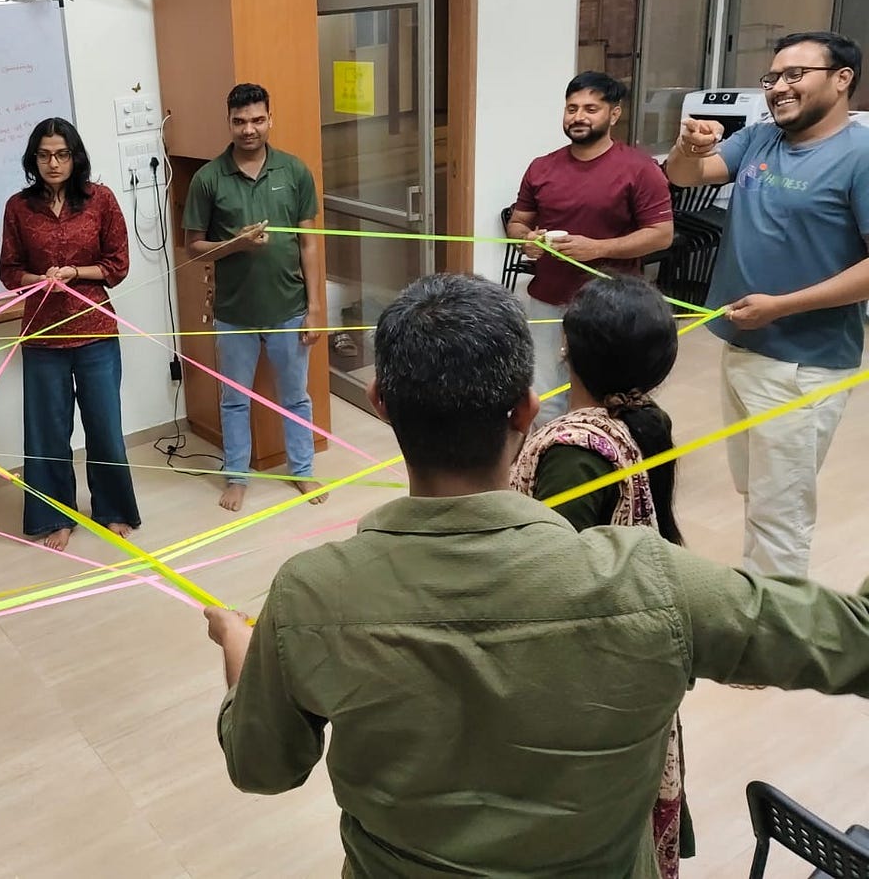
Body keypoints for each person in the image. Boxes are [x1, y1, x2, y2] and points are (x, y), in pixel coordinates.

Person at [203, 273, 869, 879]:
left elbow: (261, 768)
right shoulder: (656, 585)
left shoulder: (309, 596)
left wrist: (242, 652)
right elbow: (857, 642)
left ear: (380, 402)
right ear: (526, 410)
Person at [667, 30, 869, 578]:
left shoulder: (860, 156)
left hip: (804, 363)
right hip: (742, 345)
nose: (779, 87)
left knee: (780, 512)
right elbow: (685, 176)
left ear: (842, 79)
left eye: (795, 74)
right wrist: (690, 146)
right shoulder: (761, 137)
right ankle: (755, 596)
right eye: (773, 77)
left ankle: (774, 619)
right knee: (755, 490)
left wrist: (781, 306)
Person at [508, 275, 690, 878]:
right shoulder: (638, 421)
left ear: (567, 348)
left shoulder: (576, 453)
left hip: (585, 683)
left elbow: (554, 578)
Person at [0, 117, 140, 552]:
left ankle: (112, 510)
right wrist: (38, 280)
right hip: (43, 338)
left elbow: (117, 265)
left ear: (75, 157)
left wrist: (76, 273)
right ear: (33, 159)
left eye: (61, 154)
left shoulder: (101, 201)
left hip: (96, 334)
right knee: (47, 432)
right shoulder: (18, 208)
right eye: (44, 155)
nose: (53, 163)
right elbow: (9, 271)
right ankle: (56, 517)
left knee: (105, 427)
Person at [182, 83, 326, 512]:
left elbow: (309, 244)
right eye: (240, 121)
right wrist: (237, 244)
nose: (249, 129)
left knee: (296, 397)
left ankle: (302, 470)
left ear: (270, 119)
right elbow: (193, 248)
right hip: (234, 314)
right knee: (234, 401)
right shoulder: (209, 179)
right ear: (229, 122)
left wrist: (315, 308)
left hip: (290, 309)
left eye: (257, 120)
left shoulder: (294, 171)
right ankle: (237, 478)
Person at [507, 72, 674, 423]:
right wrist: (526, 240)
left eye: (590, 109)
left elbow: (661, 235)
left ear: (614, 114)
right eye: (572, 108)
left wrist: (597, 248)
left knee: (607, 394)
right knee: (545, 395)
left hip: (610, 306)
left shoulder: (640, 169)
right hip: (547, 300)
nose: (578, 117)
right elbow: (518, 222)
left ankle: (602, 448)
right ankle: (550, 447)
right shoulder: (541, 167)